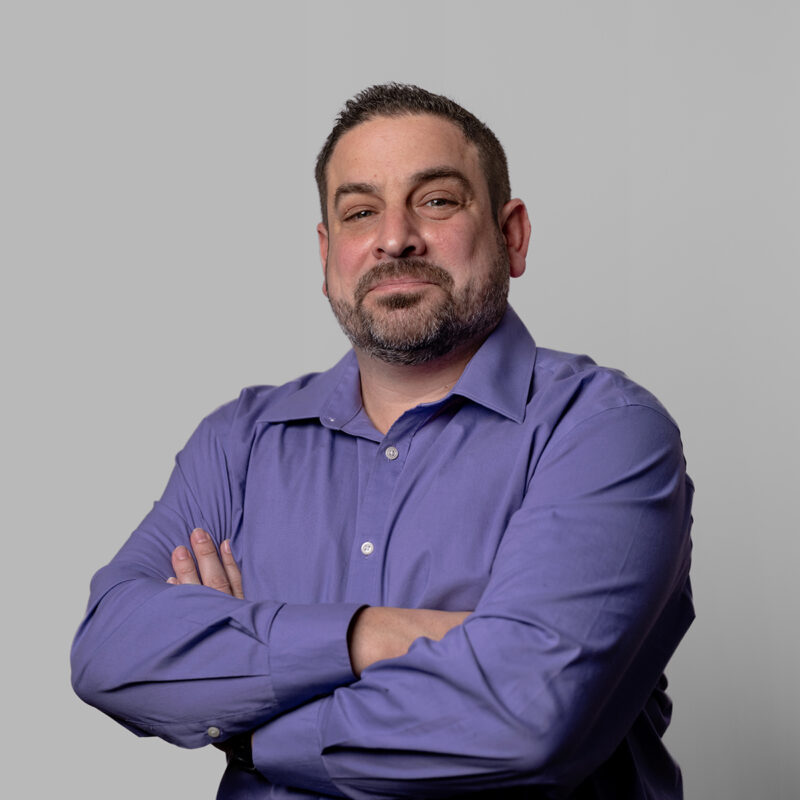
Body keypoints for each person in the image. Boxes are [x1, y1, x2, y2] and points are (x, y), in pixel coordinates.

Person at [71, 83, 694, 799]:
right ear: (329, 250)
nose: (394, 237)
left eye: (436, 200)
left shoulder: (603, 431)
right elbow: (108, 654)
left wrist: (246, 724)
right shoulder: (240, 441)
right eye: (360, 211)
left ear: (511, 234)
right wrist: (370, 635)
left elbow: (525, 720)